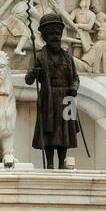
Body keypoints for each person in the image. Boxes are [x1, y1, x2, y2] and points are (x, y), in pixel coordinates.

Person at [24, 13, 80, 169]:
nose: (55, 37)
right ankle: (49, 164)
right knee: (50, 131)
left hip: (68, 98)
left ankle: (62, 163)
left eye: (57, 33)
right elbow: (28, 80)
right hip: (48, 97)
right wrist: (33, 73)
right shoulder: (39, 56)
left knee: (65, 132)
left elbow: (75, 77)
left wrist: (74, 88)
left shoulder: (68, 57)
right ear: (44, 36)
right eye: (51, 34)